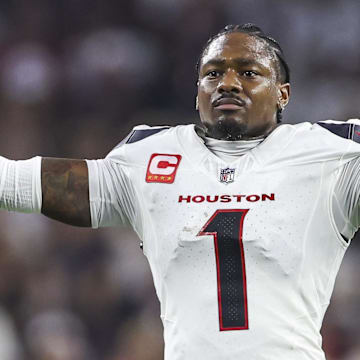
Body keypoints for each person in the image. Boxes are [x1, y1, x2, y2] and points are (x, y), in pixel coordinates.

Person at [0, 23, 359, 359]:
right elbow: (17, 182)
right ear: (197, 92)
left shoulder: (330, 155)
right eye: (213, 73)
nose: (228, 83)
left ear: (283, 94)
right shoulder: (148, 158)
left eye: (249, 72)